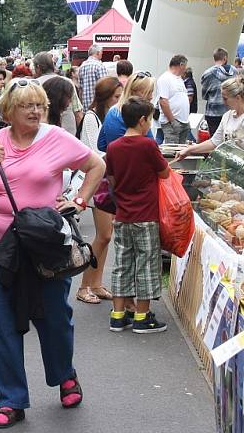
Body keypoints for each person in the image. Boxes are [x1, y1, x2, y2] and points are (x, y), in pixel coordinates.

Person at [0, 78, 105, 428]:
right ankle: (10, 399)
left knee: (53, 316)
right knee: (2, 322)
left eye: (39, 104)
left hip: (45, 246)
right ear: (9, 111)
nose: (36, 111)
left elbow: (97, 165)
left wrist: (79, 200)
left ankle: (64, 375)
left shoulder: (55, 138)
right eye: (27, 105)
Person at [106, 98, 171, 334]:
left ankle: (118, 315)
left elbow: (111, 180)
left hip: (122, 215)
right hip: (145, 215)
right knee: (146, 264)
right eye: (150, 119)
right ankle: (142, 317)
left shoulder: (113, 147)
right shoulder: (147, 145)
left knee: (122, 263)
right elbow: (164, 173)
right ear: (142, 120)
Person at [77, 76, 123, 304]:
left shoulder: (110, 117)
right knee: (103, 235)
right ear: (105, 97)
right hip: (97, 183)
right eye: (116, 97)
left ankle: (96, 283)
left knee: (105, 237)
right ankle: (84, 285)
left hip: (109, 182)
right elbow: (93, 151)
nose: (118, 101)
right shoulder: (91, 117)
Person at [175, 71, 244, 161]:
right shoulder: (227, 116)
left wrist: (242, 143)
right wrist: (189, 150)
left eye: (225, 99)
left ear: (238, 98)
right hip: (229, 165)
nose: (223, 102)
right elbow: (214, 142)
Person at [98, 72, 156, 151]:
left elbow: (101, 144)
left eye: (151, 92)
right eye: (146, 92)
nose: (151, 97)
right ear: (133, 92)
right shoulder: (137, 115)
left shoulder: (113, 111)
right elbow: (151, 147)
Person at [33, 52, 82, 135]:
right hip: (68, 133)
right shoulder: (68, 82)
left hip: (43, 134)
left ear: (38, 67)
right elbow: (78, 111)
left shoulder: (34, 85)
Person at [200, 48, 236, 137]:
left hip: (213, 113)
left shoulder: (207, 73)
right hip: (231, 111)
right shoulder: (236, 72)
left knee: (215, 140)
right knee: (229, 139)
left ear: (214, 58)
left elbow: (204, 95)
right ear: (225, 58)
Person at [157, 54, 190, 144]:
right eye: (185, 66)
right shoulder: (165, 78)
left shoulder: (179, 79)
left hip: (183, 121)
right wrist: (172, 121)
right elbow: (163, 101)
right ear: (181, 65)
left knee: (181, 150)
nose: (185, 69)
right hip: (172, 122)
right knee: (172, 150)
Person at [78, 44, 108, 109]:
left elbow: (80, 89)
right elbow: (105, 87)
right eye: (101, 53)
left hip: (85, 105)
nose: (102, 55)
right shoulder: (100, 66)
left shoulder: (82, 66)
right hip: (98, 105)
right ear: (98, 53)